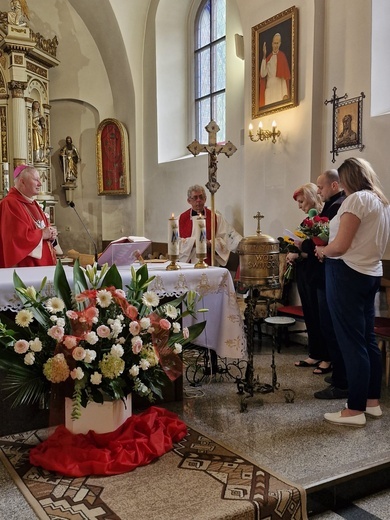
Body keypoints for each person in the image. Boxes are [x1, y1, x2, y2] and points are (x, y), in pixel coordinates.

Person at [315, 158, 390, 427]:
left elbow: (341, 245)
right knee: (367, 340)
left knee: (351, 342)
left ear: (347, 179)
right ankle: (371, 402)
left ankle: (354, 409)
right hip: (371, 272)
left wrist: (323, 250)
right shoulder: (381, 201)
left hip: (347, 273)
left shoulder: (356, 200)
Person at [287, 183, 331, 373]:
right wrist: (293, 252)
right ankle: (314, 354)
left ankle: (328, 358)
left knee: (323, 317)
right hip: (305, 273)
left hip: (318, 272)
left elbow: (320, 248)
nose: (299, 206)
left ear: (313, 197)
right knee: (311, 315)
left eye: (301, 201)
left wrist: (301, 253)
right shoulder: (307, 222)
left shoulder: (324, 219)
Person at [312, 170, 348, 397]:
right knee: (329, 325)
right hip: (330, 271)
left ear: (335, 185)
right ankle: (339, 375)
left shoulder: (340, 206)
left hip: (338, 272)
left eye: (321, 187)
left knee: (335, 328)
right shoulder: (335, 204)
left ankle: (342, 380)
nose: (318, 191)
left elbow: (334, 240)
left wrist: (321, 248)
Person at [0, 164, 57, 268]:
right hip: (25, 267)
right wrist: (42, 234)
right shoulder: (10, 203)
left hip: (42, 266)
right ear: (22, 181)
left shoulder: (33, 203)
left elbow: (43, 229)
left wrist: (51, 234)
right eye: (36, 180)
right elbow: (15, 239)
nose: (40, 184)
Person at [178, 184, 242, 267]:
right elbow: (176, 243)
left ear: (205, 199)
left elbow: (223, 240)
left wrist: (210, 244)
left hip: (209, 264)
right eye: (195, 197)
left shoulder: (215, 218)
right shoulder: (181, 219)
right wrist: (193, 243)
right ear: (189, 201)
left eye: (201, 197)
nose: (198, 200)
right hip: (187, 266)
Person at [259, 33, 291, 107]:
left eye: (277, 43)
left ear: (280, 44)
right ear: (272, 44)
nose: (275, 45)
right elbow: (263, 74)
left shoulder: (282, 56)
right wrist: (264, 56)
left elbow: (284, 77)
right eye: (274, 43)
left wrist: (285, 94)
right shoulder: (268, 58)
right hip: (269, 88)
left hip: (279, 88)